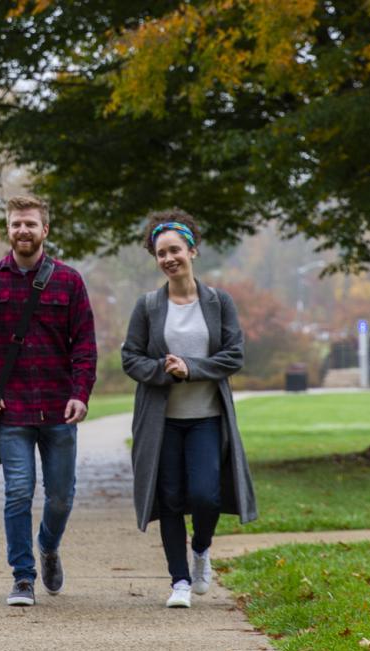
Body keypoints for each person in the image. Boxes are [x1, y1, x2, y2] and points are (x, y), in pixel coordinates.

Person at [0, 195, 97, 606]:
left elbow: (85, 347)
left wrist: (80, 394)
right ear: (8, 229)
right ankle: (22, 576)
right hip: (11, 410)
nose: (23, 231)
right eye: (16, 224)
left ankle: (48, 546)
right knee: (18, 492)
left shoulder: (69, 282)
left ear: (45, 230)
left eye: (31, 224)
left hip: (59, 409)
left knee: (60, 496)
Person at [121, 209, 257, 609]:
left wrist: (191, 369)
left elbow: (234, 356)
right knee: (170, 499)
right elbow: (131, 358)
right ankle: (179, 581)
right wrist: (166, 372)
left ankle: (201, 549)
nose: (168, 259)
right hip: (161, 422)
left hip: (208, 419)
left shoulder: (218, 302)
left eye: (175, 250)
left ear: (192, 251)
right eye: (161, 253)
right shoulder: (148, 306)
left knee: (205, 496)